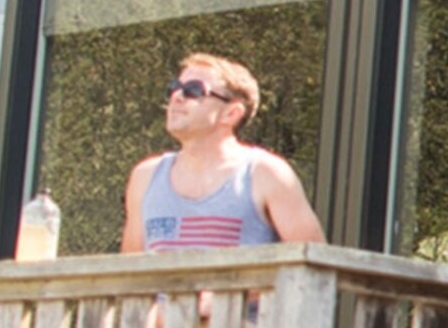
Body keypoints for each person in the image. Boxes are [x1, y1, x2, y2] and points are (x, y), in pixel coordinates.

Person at [120, 54, 326, 251]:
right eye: (174, 88)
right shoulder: (146, 176)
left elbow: (317, 267)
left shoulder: (265, 173)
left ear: (231, 113)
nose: (177, 97)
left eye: (193, 90)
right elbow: (129, 276)